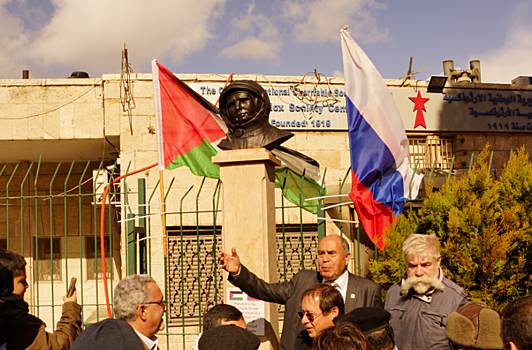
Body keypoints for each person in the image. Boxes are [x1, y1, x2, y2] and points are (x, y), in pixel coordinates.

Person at [218, 234, 383, 350]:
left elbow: (375, 335)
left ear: (347, 257)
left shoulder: (367, 290)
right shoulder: (303, 280)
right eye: (321, 253)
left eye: (331, 253)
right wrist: (238, 271)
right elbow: (265, 290)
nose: (325, 259)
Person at [385, 234, 469, 350]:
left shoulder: (456, 299)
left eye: (425, 265)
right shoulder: (393, 293)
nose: (419, 272)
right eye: (413, 266)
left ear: (438, 261)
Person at [0, 249, 82, 350]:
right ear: (5, 283)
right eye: (21, 281)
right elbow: (60, 345)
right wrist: (71, 308)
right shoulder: (15, 322)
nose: (27, 285)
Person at [70, 274, 167, 350]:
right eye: (160, 303)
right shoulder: (118, 344)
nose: (165, 308)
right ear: (142, 311)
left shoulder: (93, 336)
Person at [218, 80, 293, 150]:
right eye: (232, 105)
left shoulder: (275, 136)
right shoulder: (227, 143)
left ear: (258, 103)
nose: (237, 107)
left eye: (243, 101)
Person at [297, 283, 345, 350]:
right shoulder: (303, 340)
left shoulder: (350, 343)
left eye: (310, 315)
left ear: (333, 313)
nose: (303, 320)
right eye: (302, 314)